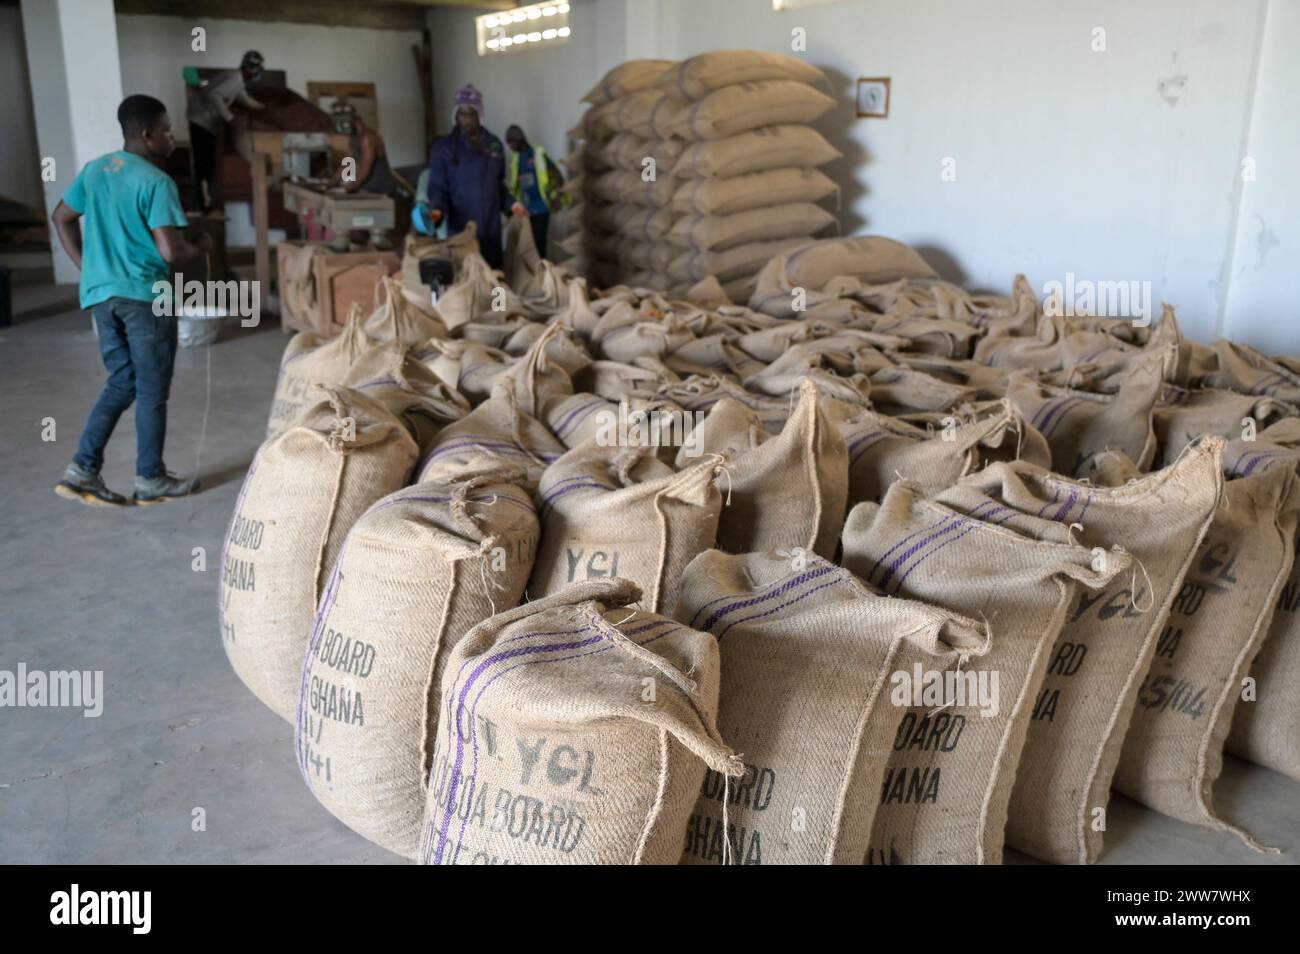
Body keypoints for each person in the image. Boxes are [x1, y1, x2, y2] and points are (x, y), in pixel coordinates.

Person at [50, 94, 210, 507]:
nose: (172, 139)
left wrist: (88, 269)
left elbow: (61, 217)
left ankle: (82, 470)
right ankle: (151, 479)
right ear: (147, 134)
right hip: (145, 296)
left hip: (102, 297)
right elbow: (172, 252)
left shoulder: (95, 170)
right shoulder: (157, 182)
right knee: (152, 388)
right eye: (167, 131)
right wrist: (201, 246)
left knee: (123, 381)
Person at [425, 84, 525, 270]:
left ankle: (498, 301)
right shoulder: (444, 149)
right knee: (466, 282)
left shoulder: (494, 145)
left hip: (490, 230)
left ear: (479, 114)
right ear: (455, 115)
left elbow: (499, 186)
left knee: (494, 280)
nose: (467, 119)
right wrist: (436, 210)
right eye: (462, 114)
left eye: (471, 113)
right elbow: (438, 188)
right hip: (461, 232)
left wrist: (513, 205)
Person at [185, 50, 266, 211]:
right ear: (253, 69)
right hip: (200, 121)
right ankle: (200, 203)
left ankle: (205, 201)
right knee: (203, 163)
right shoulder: (234, 77)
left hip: (206, 122)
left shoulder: (238, 80)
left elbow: (244, 98)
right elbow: (214, 95)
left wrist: (263, 107)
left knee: (207, 162)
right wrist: (230, 118)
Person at [505, 125, 564, 258]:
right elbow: (516, 184)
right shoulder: (516, 158)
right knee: (527, 245)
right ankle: (530, 275)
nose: (511, 146)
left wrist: (556, 196)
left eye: (512, 142)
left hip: (541, 207)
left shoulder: (537, 154)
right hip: (526, 209)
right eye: (509, 143)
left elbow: (555, 174)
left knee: (539, 243)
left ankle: (542, 274)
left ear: (520, 139)